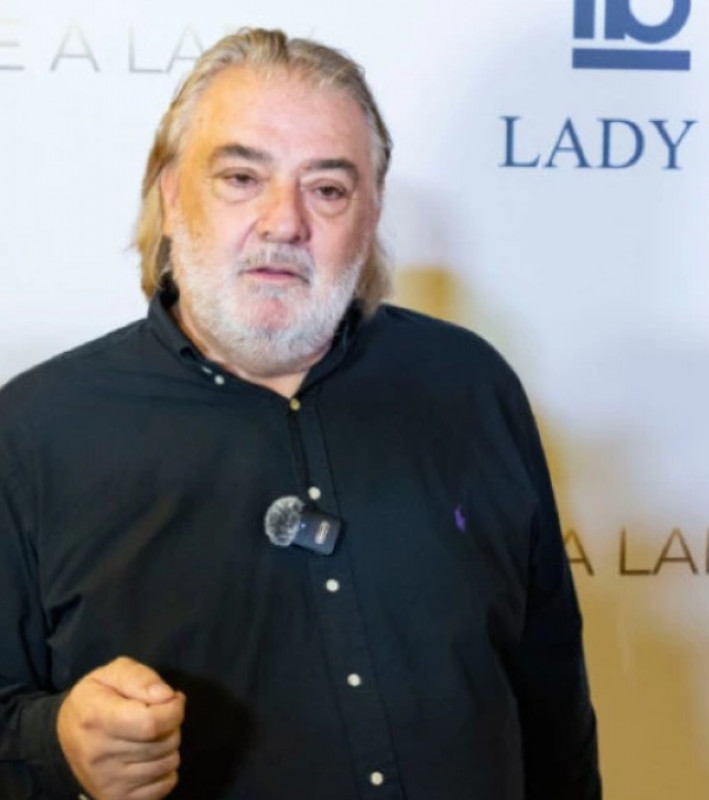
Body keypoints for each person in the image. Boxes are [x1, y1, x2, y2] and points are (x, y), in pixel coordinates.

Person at [0, 28, 600, 800]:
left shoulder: (470, 386)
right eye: (242, 177)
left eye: (328, 189)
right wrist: (57, 745)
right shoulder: (36, 432)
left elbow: (551, 698)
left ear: (371, 216)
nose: (284, 222)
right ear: (171, 194)